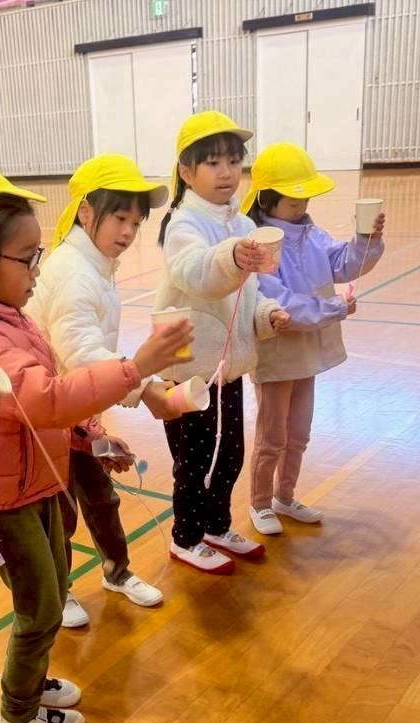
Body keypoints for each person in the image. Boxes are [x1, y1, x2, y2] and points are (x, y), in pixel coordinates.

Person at [0, 160, 192, 723]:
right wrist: (136, 369)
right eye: (27, 259)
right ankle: (17, 714)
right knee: (41, 607)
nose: (37, 271)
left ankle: (34, 679)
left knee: (53, 584)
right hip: (3, 499)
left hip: (34, 480)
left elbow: (41, 406)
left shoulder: (10, 317)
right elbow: (43, 398)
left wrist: (87, 436)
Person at [25, 153, 172, 628]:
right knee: (63, 511)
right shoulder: (74, 271)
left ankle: (117, 572)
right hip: (52, 418)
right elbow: (83, 351)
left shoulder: (96, 265)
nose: (128, 231)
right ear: (86, 212)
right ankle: (61, 590)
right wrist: (145, 386)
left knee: (102, 498)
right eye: (119, 218)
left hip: (80, 413)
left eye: (136, 222)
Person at [155, 111, 291, 574]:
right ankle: (185, 538)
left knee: (229, 453)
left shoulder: (244, 226)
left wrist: (267, 315)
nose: (227, 172)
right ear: (186, 172)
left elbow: (248, 293)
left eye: (234, 161)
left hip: (226, 365)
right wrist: (232, 255)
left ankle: (215, 525)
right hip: (188, 365)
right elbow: (198, 274)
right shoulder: (182, 225)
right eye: (213, 163)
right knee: (194, 459)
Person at [243, 142, 385, 535]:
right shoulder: (260, 242)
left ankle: (284, 497)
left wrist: (366, 239)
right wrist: (333, 308)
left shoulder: (309, 232)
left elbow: (343, 263)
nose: (301, 207)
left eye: (305, 200)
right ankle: (260, 503)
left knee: (298, 433)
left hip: (307, 354)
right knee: (272, 436)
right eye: (293, 201)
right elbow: (280, 301)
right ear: (267, 199)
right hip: (277, 356)